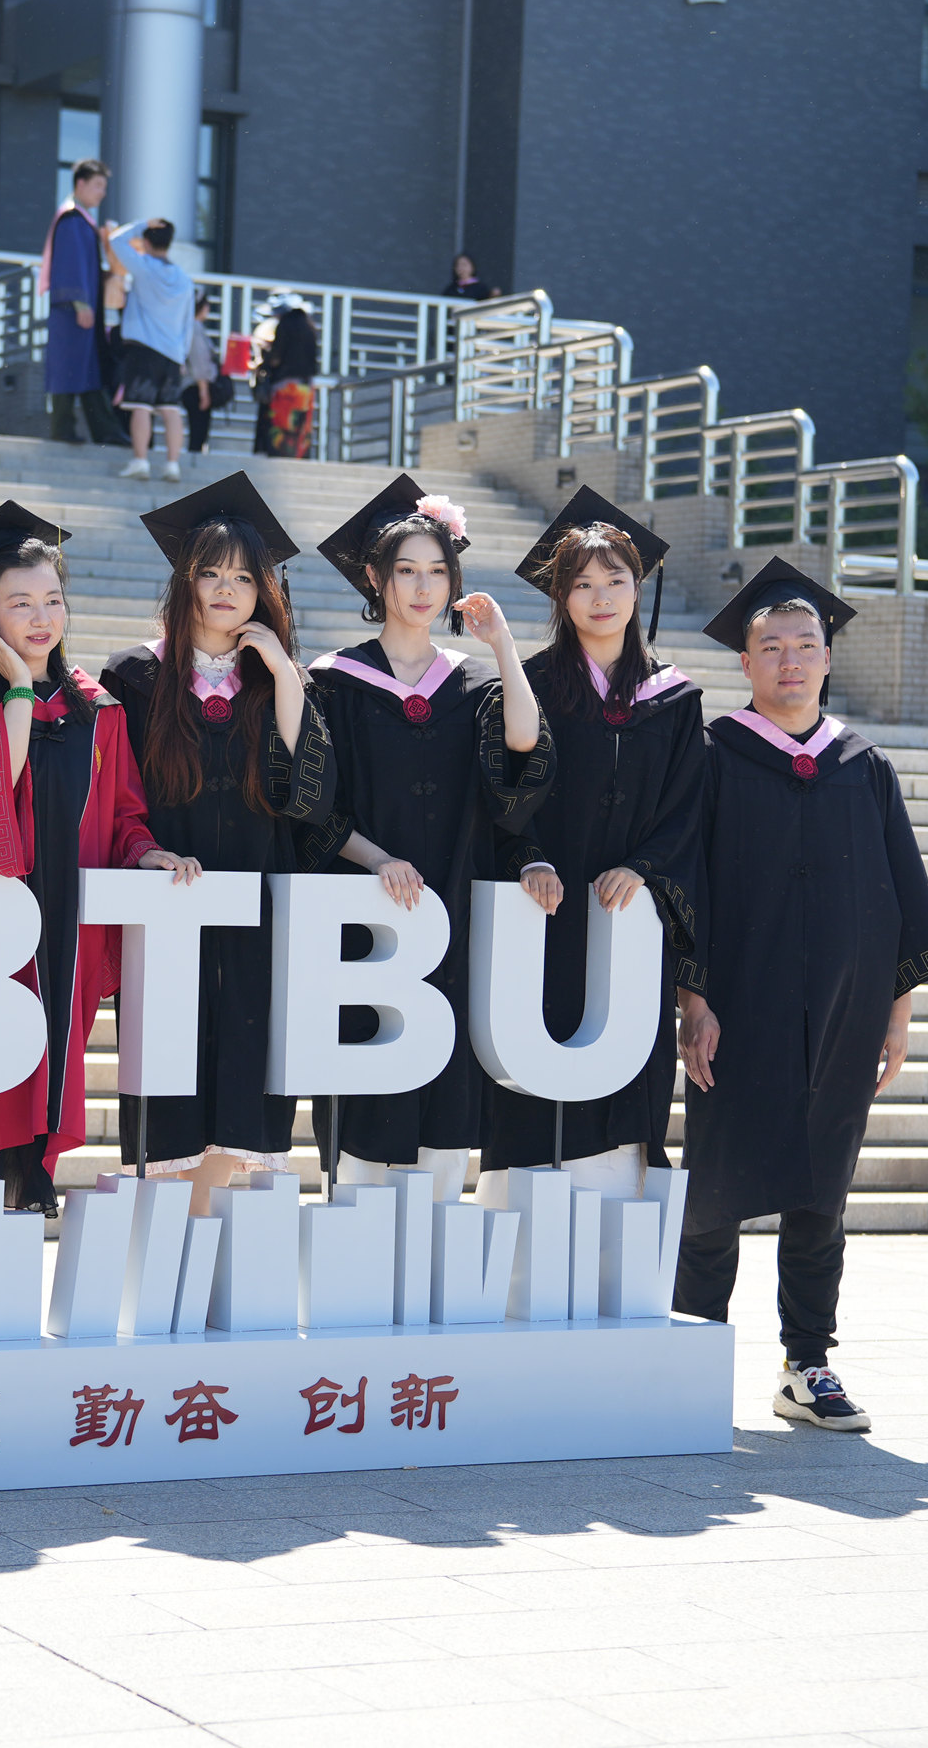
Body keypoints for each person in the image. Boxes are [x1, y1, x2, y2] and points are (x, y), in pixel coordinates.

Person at [675, 559, 928, 1434]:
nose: (790, 660)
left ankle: (807, 1364)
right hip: (739, 1003)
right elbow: (688, 884)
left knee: (821, 1188)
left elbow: (901, 891)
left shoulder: (862, 765)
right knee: (715, 1183)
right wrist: (691, 999)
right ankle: (689, 1356)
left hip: (845, 1007)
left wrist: (897, 1013)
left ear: (827, 658)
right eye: (771, 648)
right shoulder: (713, 757)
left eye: (804, 645)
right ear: (745, 662)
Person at [0, 504, 173, 1214]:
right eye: (19, 603)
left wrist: (145, 853)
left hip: (63, 932)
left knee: (40, 1091)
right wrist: (19, 689)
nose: (41, 617)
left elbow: (123, 813)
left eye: (52, 599)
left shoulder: (97, 708)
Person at [304, 474, 552, 1196]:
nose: (422, 587)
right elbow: (313, 804)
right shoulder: (336, 681)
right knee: (365, 1071)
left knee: (446, 1080)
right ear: (375, 578)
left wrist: (503, 645)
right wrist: (377, 858)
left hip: (452, 907)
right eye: (406, 570)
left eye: (437, 572)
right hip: (365, 914)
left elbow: (523, 748)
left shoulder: (472, 684)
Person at [100, 474, 334, 1215]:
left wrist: (284, 675)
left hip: (257, 900)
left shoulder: (277, 681)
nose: (227, 589)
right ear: (186, 581)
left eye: (244, 577)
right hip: (172, 895)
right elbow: (117, 796)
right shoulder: (135, 676)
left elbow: (308, 793)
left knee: (244, 1066)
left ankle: (199, 1228)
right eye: (211, 573)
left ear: (266, 590)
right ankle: (167, 1238)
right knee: (168, 1069)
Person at [487, 490, 703, 1202]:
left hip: (628, 919)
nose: (600, 597)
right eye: (581, 584)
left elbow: (687, 806)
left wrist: (643, 867)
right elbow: (501, 784)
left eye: (615, 580)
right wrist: (528, 856)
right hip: (544, 910)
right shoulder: (531, 685)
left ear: (639, 588)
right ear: (560, 596)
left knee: (623, 1086)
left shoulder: (675, 698)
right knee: (535, 1078)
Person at [40, 158, 123, 447]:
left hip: (83, 311)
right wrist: (80, 303)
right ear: (80, 183)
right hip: (73, 313)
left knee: (87, 369)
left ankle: (105, 430)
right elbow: (70, 266)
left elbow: (85, 267)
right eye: (98, 185)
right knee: (70, 368)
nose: (102, 192)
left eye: (104, 186)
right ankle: (64, 427)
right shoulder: (71, 220)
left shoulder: (83, 221)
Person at [114, 219, 196, 483]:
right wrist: (182, 355)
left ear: (146, 242)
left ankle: (140, 460)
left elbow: (116, 240)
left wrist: (141, 225)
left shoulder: (143, 267)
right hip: (173, 353)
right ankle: (172, 465)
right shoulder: (184, 280)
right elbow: (188, 323)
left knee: (140, 406)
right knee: (171, 409)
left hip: (144, 349)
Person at [250, 294, 319, 459]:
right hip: (306, 387)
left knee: (281, 427)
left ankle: (279, 458)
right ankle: (298, 458)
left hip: (285, 387)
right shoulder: (309, 327)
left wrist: (264, 361)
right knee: (300, 427)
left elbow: (276, 358)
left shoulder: (285, 325)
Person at [182, 289, 228, 456]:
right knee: (198, 431)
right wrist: (204, 391)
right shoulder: (194, 328)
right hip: (196, 387)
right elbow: (199, 361)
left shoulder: (189, 327)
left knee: (198, 430)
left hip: (193, 386)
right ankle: (193, 463)